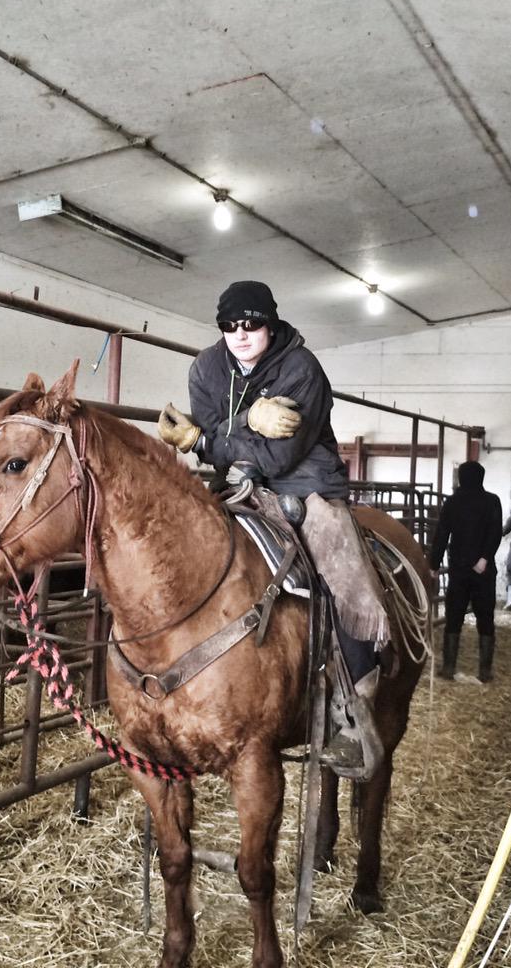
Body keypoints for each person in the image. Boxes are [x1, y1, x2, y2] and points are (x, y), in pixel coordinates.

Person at [157, 280, 385, 780]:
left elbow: (279, 454)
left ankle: (355, 709)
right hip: (236, 481)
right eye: (229, 325)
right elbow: (218, 445)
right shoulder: (206, 368)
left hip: (306, 480)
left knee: (340, 566)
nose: (240, 334)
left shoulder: (302, 369)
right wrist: (244, 424)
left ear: (271, 322)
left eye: (252, 323)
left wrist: (208, 438)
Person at [429, 461, 503, 683]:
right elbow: (495, 532)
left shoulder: (453, 502)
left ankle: (448, 668)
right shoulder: (492, 501)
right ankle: (485, 671)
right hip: (484, 570)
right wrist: (484, 559)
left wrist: (433, 564)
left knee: (454, 616)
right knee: (485, 616)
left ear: (461, 477)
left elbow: (442, 534)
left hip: (459, 568)